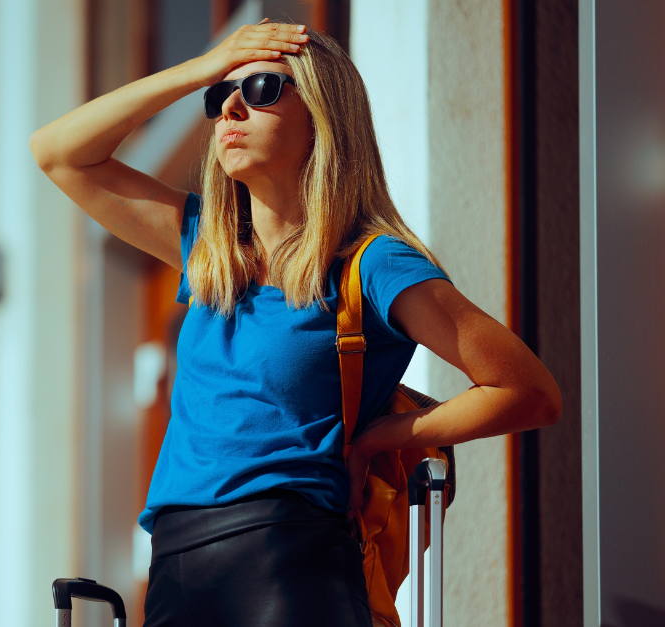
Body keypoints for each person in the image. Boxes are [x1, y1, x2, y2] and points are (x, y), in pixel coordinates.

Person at [29, 20, 562, 627]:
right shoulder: (209, 248)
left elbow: (527, 391)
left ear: (323, 115)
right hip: (175, 563)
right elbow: (58, 152)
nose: (229, 106)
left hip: (288, 559)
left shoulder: (372, 264)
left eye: (260, 88)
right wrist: (205, 66)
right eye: (218, 97)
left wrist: (382, 439)